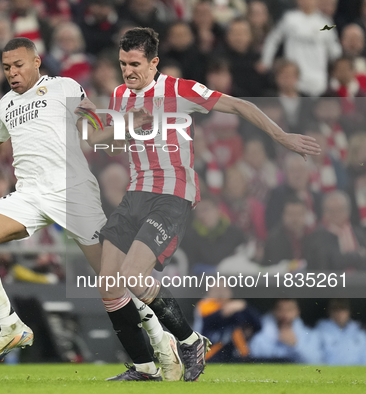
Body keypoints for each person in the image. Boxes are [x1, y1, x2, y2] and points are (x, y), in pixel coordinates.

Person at [78, 27, 320, 381]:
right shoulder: (119, 95)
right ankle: (146, 368)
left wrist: (280, 136)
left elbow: (239, 104)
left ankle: (190, 342)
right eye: (122, 64)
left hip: (172, 195)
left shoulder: (179, 89)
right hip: (135, 193)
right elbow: (102, 141)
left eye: (134, 64)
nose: (127, 71)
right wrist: (122, 125)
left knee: (132, 276)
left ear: (154, 62)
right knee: (109, 284)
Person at [0, 37, 180, 381]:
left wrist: (125, 125)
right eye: (6, 68)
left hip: (74, 195)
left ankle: (163, 343)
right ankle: (11, 325)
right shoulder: (6, 104)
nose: (12, 73)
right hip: (29, 195)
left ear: (36, 62)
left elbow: (95, 122)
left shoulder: (63, 87)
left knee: (116, 281)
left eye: (18, 65)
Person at [249, 299, 322, 363]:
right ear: (273, 311)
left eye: (289, 310)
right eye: (280, 309)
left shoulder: (309, 335)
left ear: (297, 312)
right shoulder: (260, 333)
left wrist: (295, 345)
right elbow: (252, 359)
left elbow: (317, 362)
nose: (285, 315)